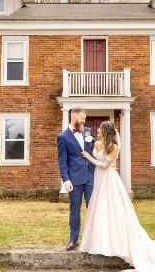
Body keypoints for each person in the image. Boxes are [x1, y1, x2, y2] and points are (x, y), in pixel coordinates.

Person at [80, 121, 155, 272]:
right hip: (98, 179)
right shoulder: (96, 143)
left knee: (113, 208)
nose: (97, 130)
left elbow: (104, 166)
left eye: (100, 128)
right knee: (99, 208)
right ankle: (98, 242)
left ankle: (116, 242)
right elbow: (92, 152)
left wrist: (89, 157)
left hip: (109, 179)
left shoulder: (114, 147)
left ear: (105, 131)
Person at [57, 107, 95, 251]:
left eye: (85, 118)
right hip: (74, 180)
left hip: (90, 177)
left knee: (93, 208)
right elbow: (62, 161)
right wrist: (66, 180)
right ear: (73, 117)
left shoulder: (88, 132)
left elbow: (95, 150)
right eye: (82, 118)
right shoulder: (63, 137)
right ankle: (73, 239)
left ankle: (94, 238)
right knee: (75, 209)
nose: (84, 121)